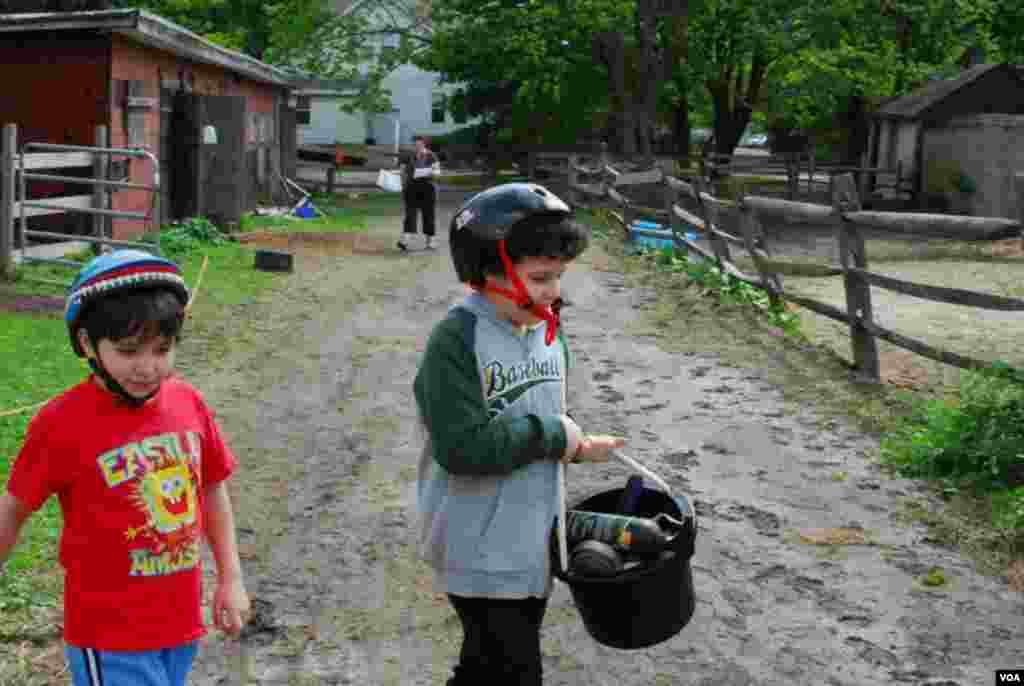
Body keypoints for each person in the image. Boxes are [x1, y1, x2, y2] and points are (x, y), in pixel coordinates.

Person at [0, 249, 250, 686]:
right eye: (128, 350)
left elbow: (212, 490)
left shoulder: (188, 403)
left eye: (163, 349)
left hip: (179, 628)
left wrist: (231, 579)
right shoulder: (60, 424)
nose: (148, 367)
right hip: (110, 636)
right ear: (86, 344)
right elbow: (13, 509)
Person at [414, 183, 626, 685]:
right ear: (486, 273)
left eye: (558, 276)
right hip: (479, 543)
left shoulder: (547, 332)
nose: (554, 291)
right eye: (539, 278)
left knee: (485, 668)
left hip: (532, 539)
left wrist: (576, 445)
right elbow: (462, 448)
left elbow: (543, 418)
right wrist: (554, 434)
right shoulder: (456, 340)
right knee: (515, 670)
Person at [399, 134, 441, 251]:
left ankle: (431, 240)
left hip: (428, 188)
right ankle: (405, 240)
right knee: (410, 214)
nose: (417, 146)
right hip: (411, 188)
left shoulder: (431, 155)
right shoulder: (407, 156)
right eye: (415, 144)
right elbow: (402, 172)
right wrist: (401, 183)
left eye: (419, 144)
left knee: (429, 214)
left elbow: (438, 172)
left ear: (424, 144)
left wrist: (431, 173)